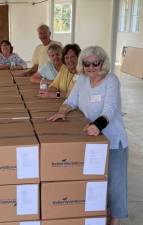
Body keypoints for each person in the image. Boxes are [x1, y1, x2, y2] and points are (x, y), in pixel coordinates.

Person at [48, 46, 128, 225]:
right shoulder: (82, 80)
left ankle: (114, 221)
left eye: (95, 63)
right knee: (95, 182)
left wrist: (97, 126)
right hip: (92, 140)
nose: (91, 67)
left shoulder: (111, 80)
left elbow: (110, 108)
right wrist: (63, 110)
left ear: (102, 62)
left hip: (113, 140)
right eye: (86, 64)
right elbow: (71, 100)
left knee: (115, 185)